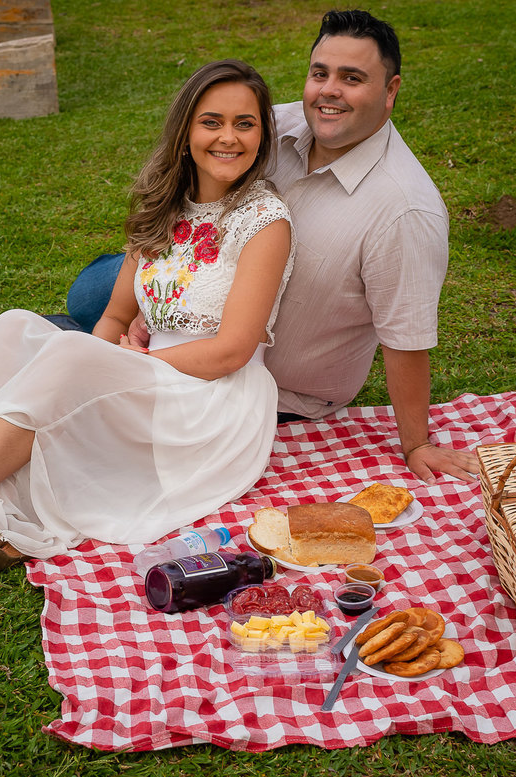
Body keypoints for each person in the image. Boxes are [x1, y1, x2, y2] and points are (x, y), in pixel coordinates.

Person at [0, 60, 295, 583]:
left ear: (262, 134)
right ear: (185, 131)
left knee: (71, 356)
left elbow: (232, 351)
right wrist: (107, 363)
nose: (228, 137)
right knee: (12, 327)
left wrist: (120, 363)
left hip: (211, 401)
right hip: (144, 373)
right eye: (212, 122)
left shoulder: (264, 222)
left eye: (245, 123)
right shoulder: (163, 210)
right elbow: (117, 313)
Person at [50, 10, 478, 485]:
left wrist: (415, 443)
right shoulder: (272, 125)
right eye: (321, 73)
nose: (329, 91)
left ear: (391, 90)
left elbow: (407, 338)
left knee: (82, 324)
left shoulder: (405, 210)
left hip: (267, 374)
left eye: (352, 78)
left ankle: (109, 335)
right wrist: (152, 294)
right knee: (90, 295)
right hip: (203, 283)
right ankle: (132, 320)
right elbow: (198, 166)